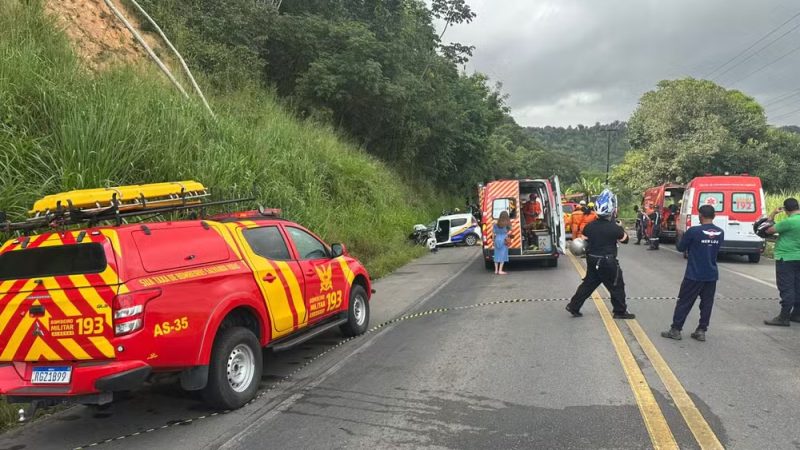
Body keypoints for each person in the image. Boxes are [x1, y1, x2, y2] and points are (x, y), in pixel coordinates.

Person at [565, 189, 635, 319]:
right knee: (616, 285)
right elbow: (625, 240)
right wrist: (620, 227)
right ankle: (619, 311)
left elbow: (584, 240)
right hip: (608, 261)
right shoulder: (614, 228)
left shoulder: (589, 226)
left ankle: (573, 306)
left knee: (588, 284)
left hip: (592, 259)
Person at [661, 205, 724, 341]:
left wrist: (680, 236)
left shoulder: (694, 231)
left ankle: (676, 329)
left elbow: (681, 247)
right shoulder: (720, 232)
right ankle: (701, 330)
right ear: (714, 216)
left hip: (694, 274)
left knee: (684, 302)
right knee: (707, 304)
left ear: (700, 215)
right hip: (711, 274)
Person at [764, 198, 800, 326]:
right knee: (798, 286)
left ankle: (783, 317)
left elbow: (768, 229)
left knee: (787, 288)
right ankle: (797, 314)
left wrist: (773, 213)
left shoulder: (789, 222)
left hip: (786, 258)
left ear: (785, 209)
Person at [493, 210, 511, 275]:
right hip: (504, 240)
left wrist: (493, 241)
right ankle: (500, 270)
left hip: (497, 239)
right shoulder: (507, 224)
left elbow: (493, 233)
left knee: (496, 255)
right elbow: (509, 232)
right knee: (502, 255)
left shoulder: (495, 224)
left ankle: (496, 270)